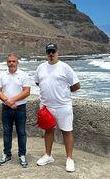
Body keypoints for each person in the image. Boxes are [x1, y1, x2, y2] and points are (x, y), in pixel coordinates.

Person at [34, 43, 80, 172]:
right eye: (49, 52)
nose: (51, 54)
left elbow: (76, 85)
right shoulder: (41, 67)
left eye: (53, 51)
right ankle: (48, 155)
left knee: (67, 131)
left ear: (57, 52)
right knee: (48, 130)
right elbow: (38, 82)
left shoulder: (65, 67)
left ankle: (69, 159)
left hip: (63, 106)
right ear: (46, 53)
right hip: (46, 106)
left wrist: (63, 92)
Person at [0, 53, 31, 167]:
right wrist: (8, 102)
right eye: (9, 61)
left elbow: (27, 91)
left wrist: (12, 100)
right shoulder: (2, 75)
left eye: (13, 61)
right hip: (6, 108)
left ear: (17, 62)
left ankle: (22, 155)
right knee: (7, 132)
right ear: (7, 62)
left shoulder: (24, 74)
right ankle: (7, 154)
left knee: (21, 132)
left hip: (20, 108)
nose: (11, 63)